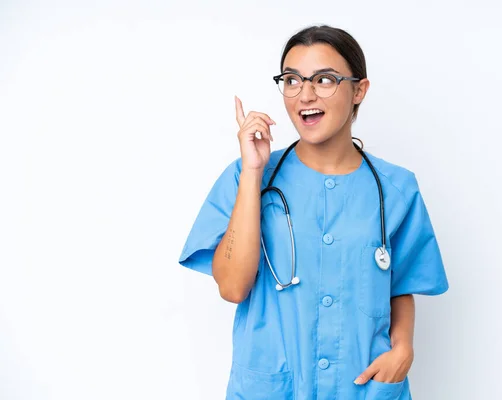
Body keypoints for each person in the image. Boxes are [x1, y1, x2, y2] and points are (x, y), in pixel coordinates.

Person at [178, 25, 449, 400]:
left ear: (359, 90)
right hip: (272, 388)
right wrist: (254, 171)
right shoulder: (248, 175)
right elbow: (233, 287)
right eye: (292, 80)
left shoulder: (396, 188)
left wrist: (402, 349)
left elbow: (401, 283)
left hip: (363, 387)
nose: (305, 94)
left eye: (324, 79)